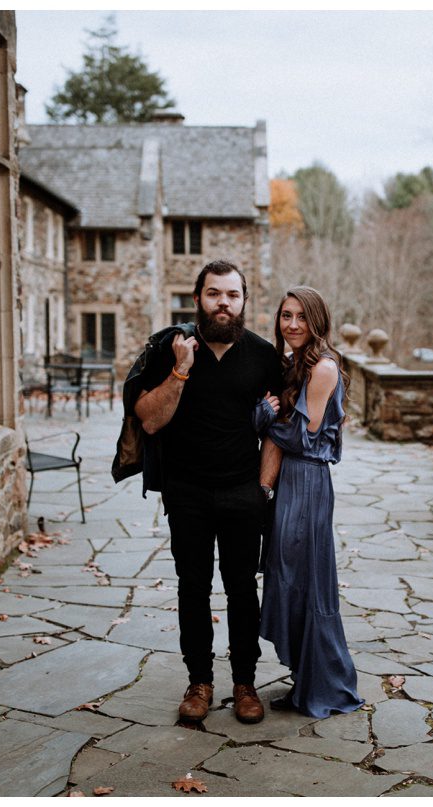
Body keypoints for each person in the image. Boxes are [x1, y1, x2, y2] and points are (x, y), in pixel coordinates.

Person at [133, 259, 283, 724]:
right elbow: (149, 420)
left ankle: (245, 684)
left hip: (242, 491)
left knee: (242, 590)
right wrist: (181, 369)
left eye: (232, 295)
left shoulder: (263, 356)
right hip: (187, 492)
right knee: (193, 588)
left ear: (243, 301)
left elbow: (277, 431)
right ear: (197, 298)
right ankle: (199, 681)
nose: (224, 303)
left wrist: (262, 487)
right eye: (214, 293)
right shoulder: (171, 349)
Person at [255, 286, 364, 718]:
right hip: (289, 482)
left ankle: (325, 686)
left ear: (318, 321)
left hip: (307, 482)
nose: (292, 324)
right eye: (286, 316)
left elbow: (303, 436)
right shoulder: (293, 364)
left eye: (301, 316)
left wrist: (263, 419)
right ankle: (305, 679)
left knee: (306, 580)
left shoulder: (323, 368)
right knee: (288, 577)